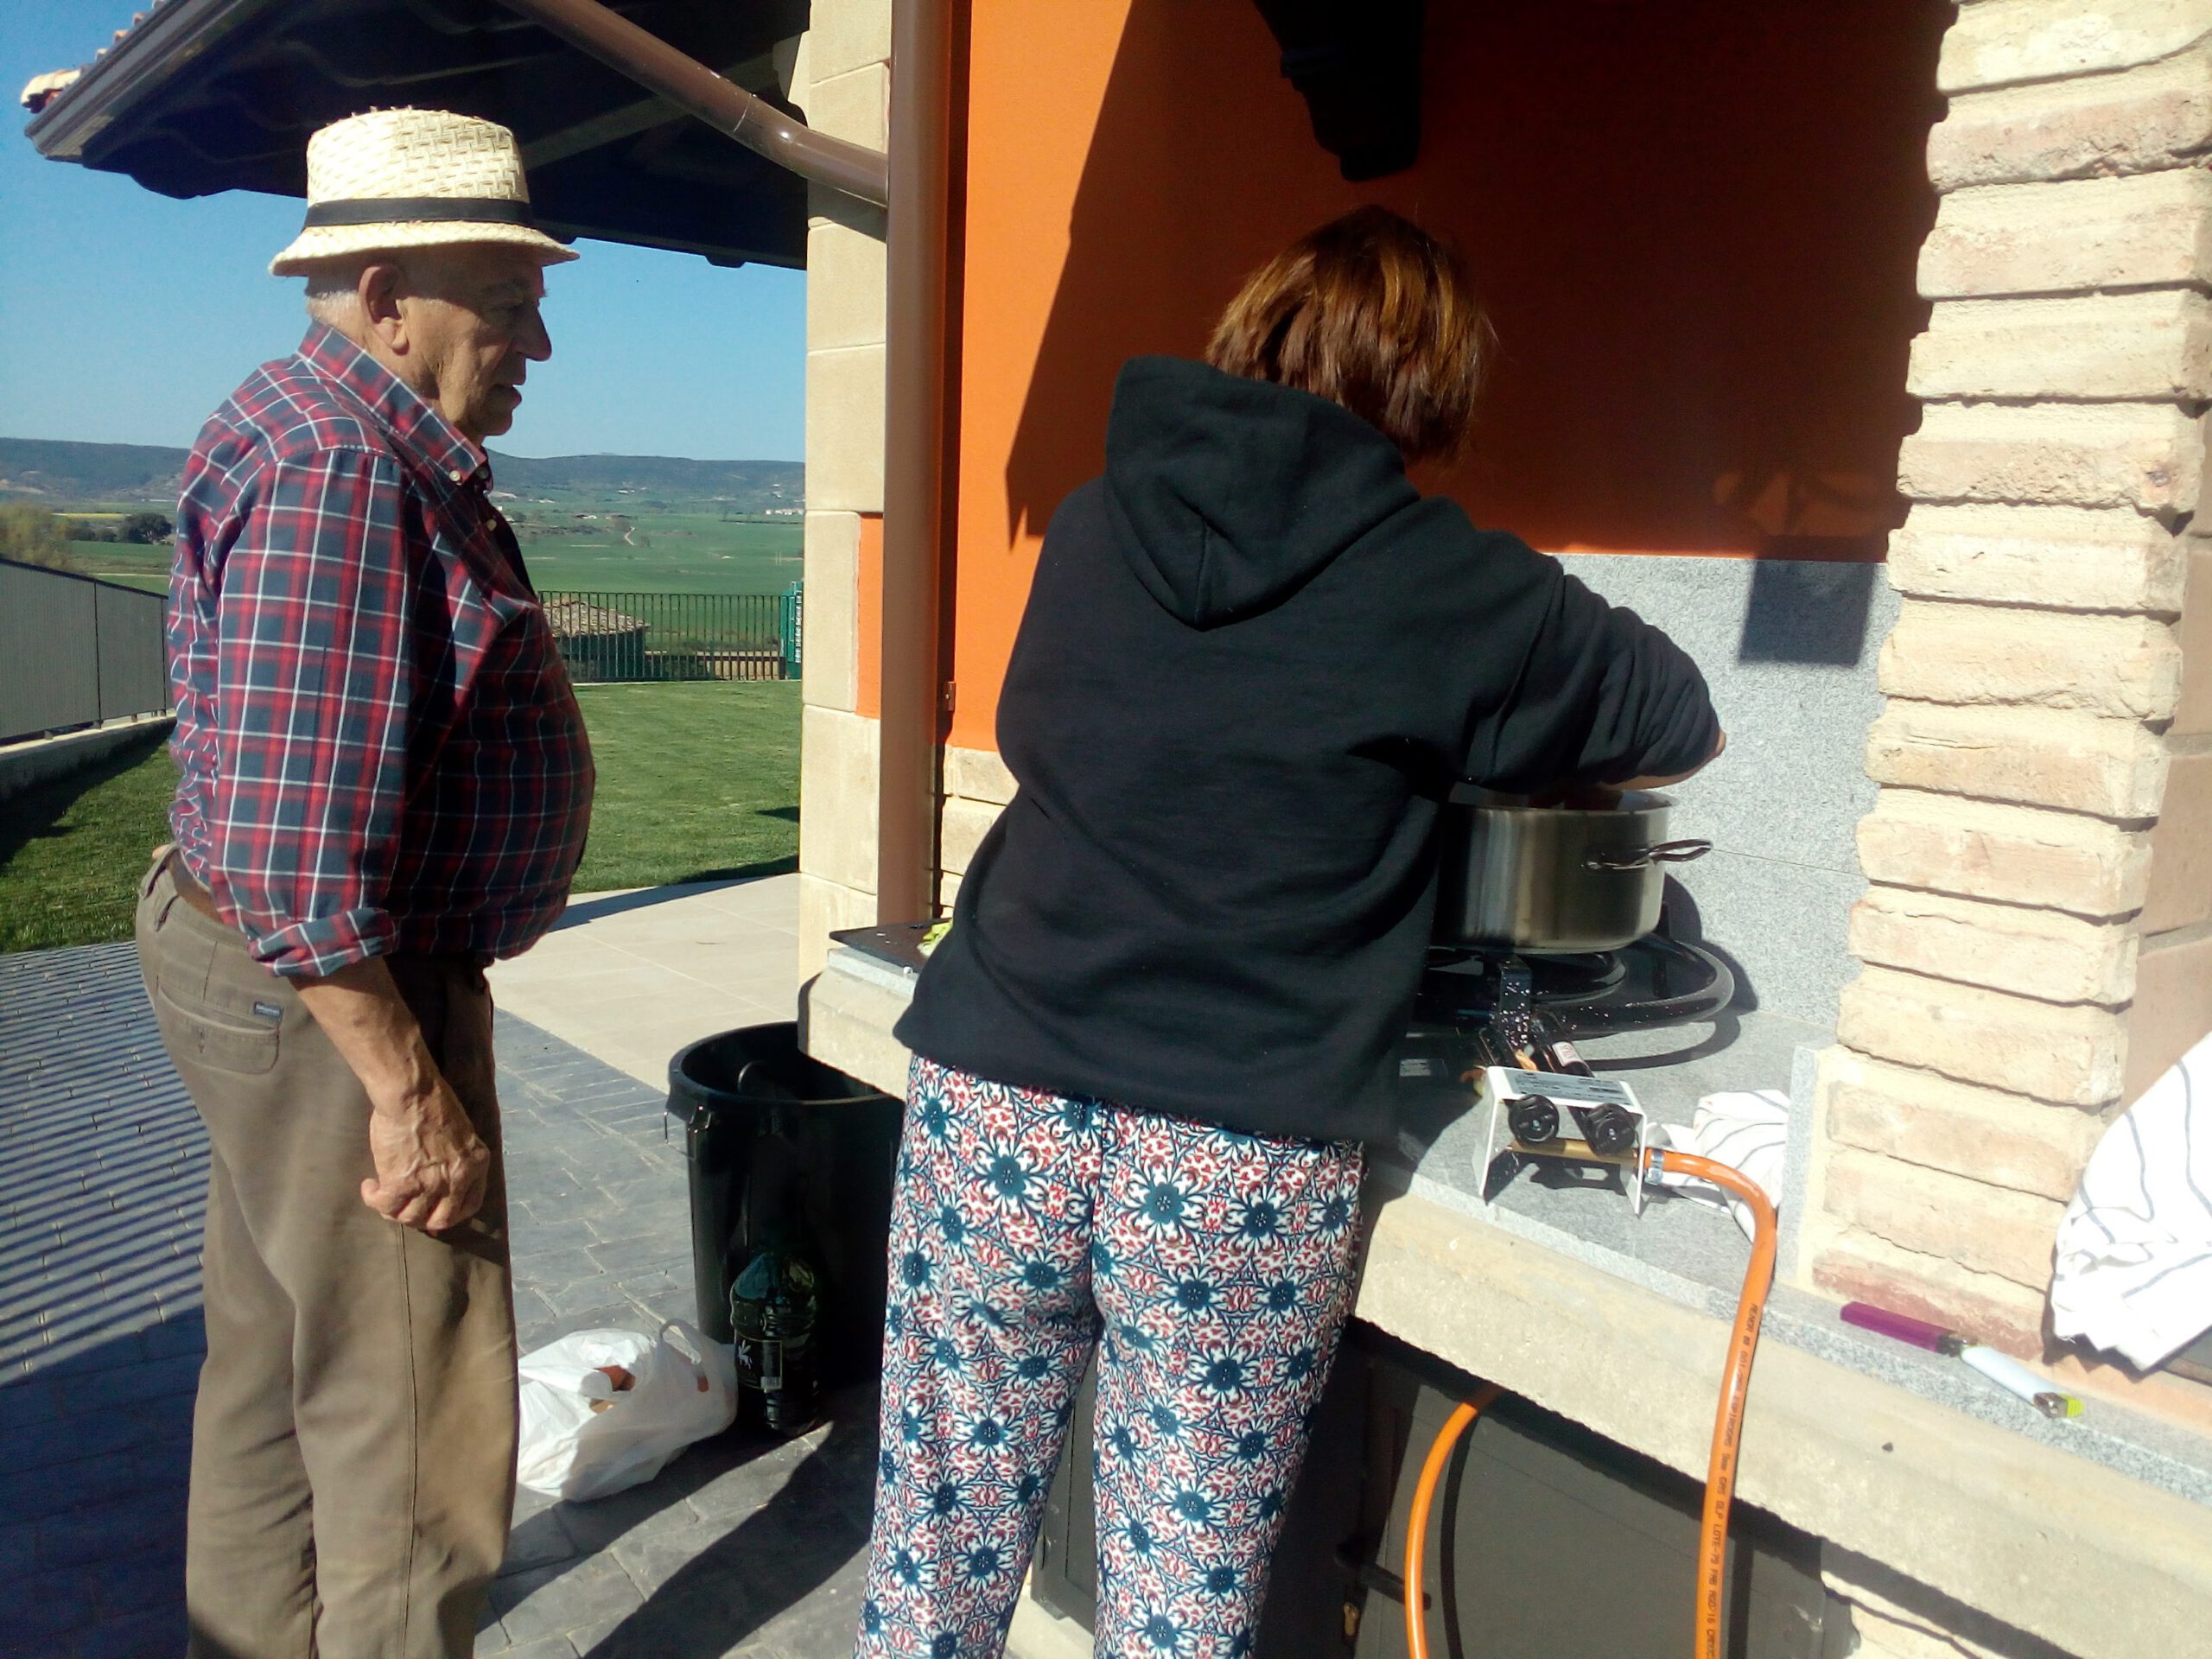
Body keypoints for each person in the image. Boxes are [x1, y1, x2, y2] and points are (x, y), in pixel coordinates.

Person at [854, 207, 1722, 1657]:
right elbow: (1677, 716)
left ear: (1256, 329)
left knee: (932, 1554)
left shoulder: (1088, 518)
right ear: (1431, 387)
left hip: (994, 1098)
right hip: (1237, 1153)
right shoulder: (1458, 586)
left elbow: (1053, 731)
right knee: (1180, 1603)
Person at [135, 108, 594, 1659]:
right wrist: (408, 1087)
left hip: (264, 977)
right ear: (387, 290)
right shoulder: (343, 461)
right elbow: (293, 847)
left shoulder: (309, 418)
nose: (538, 337)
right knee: (414, 1425)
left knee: (277, 1360)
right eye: (509, 299)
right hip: (342, 990)